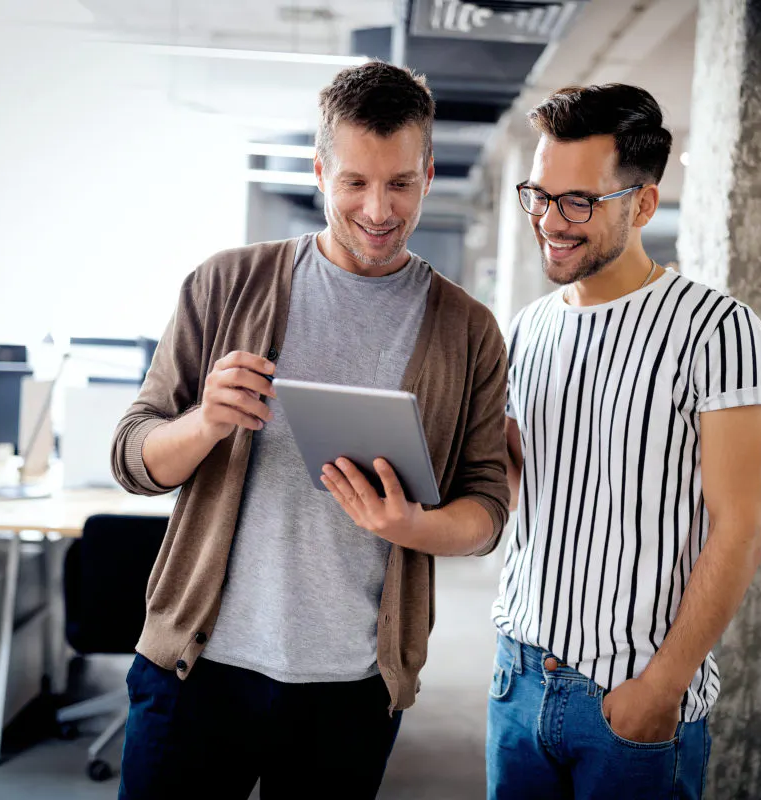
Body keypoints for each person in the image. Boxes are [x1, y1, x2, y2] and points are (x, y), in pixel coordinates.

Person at [111, 60, 510, 800]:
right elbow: (134, 457)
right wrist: (205, 423)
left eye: (400, 183)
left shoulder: (469, 330)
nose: (378, 209)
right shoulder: (225, 283)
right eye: (354, 182)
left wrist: (411, 526)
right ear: (320, 169)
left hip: (352, 689)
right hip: (198, 672)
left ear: (428, 174)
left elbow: (488, 510)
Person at [487, 84, 761, 800]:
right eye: (540, 195)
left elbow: (741, 526)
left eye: (578, 202)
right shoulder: (529, 326)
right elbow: (526, 489)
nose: (551, 221)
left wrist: (662, 688)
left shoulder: (718, 329)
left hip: (631, 697)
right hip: (517, 675)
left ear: (643, 203)